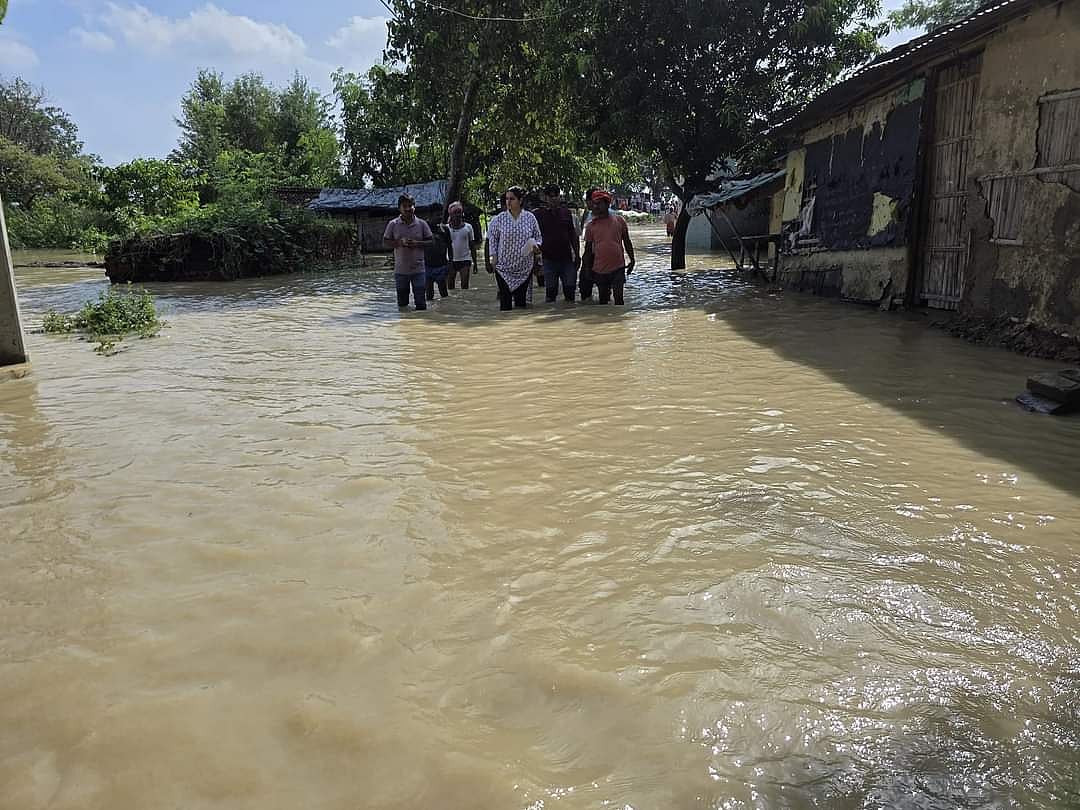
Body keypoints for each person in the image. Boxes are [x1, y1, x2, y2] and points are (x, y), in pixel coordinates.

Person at [487, 186, 542, 311]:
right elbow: (492, 240)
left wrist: (537, 247)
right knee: (505, 305)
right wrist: (493, 258)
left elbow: (538, 237)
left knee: (521, 305)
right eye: (507, 199)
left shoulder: (530, 218)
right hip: (503, 268)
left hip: (524, 268)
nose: (508, 202)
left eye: (512, 199)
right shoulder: (498, 219)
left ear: (520, 200)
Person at [583, 190, 635, 306]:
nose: (595, 207)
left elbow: (627, 242)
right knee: (603, 302)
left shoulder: (619, 221)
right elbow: (587, 250)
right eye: (594, 204)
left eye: (599, 203)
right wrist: (587, 269)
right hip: (599, 269)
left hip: (618, 267)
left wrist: (632, 260)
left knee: (619, 301)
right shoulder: (591, 226)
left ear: (607, 204)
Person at [383, 194, 432, 311]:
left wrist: (417, 243)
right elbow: (385, 242)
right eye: (404, 206)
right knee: (403, 305)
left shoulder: (422, 224)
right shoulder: (393, 224)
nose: (408, 208)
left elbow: (431, 242)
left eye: (410, 205)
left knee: (421, 305)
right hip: (401, 271)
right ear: (399, 208)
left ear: (414, 207)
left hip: (419, 270)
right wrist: (400, 242)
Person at [534, 184, 580, 303]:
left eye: (556, 195)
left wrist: (577, 255)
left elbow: (573, 236)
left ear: (559, 197)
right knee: (551, 294)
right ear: (545, 197)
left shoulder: (566, 213)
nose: (553, 198)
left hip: (567, 259)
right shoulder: (538, 215)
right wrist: (536, 261)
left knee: (570, 293)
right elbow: (534, 239)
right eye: (550, 196)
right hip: (548, 260)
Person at [446, 202, 477, 290]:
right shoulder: (446, 228)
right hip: (450, 261)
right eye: (455, 212)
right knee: (450, 287)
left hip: (465, 260)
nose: (457, 215)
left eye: (459, 212)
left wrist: (475, 263)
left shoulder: (468, 227)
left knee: (464, 286)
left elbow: (472, 246)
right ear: (450, 214)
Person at [424, 218, 452, 301]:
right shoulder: (424, 228)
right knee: (429, 295)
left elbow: (450, 247)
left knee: (444, 293)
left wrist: (450, 262)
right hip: (427, 266)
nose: (440, 217)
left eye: (441, 214)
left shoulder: (445, 229)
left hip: (441, 266)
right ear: (431, 215)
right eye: (437, 215)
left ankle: (445, 310)